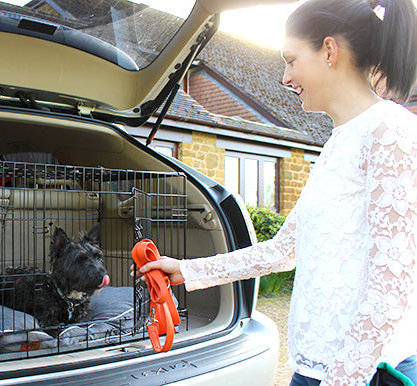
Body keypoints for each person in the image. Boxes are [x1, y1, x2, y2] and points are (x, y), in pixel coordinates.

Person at [135, 0, 417, 385]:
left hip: (367, 373)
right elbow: (284, 250)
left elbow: (393, 279)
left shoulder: (391, 132)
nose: (285, 78)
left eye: (290, 60)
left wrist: (341, 380)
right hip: (317, 368)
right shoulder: (337, 141)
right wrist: (188, 270)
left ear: (330, 51)